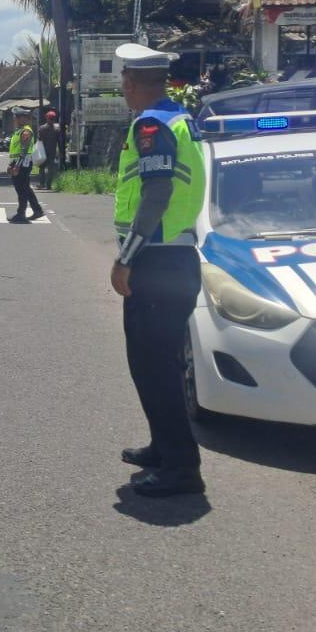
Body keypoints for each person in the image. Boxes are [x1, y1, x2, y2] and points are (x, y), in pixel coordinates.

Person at [110, 43, 207, 498]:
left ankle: (181, 468)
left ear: (131, 83)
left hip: (157, 260)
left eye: (124, 82)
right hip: (175, 258)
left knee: (154, 368)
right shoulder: (180, 119)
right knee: (157, 364)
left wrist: (126, 258)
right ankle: (165, 448)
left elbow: (157, 194)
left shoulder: (151, 124)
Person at [6, 108, 44, 223]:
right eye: (15, 117)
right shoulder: (19, 130)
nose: (15, 119)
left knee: (21, 189)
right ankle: (37, 210)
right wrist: (11, 164)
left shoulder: (26, 131)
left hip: (23, 163)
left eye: (17, 117)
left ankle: (21, 213)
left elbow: (24, 150)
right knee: (25, 188)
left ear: (24, 118)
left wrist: (17, 166)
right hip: (19, 162)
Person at [38, 108, 61, 190]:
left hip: (42, 151)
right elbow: (59, 141)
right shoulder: (57, 129)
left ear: (46, 118)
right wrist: (60, 151)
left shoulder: (41, 128)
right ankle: (48, 185)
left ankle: (42, 184)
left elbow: (39, 140)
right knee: (50, 169)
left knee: (42, 168)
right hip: (52, 151)